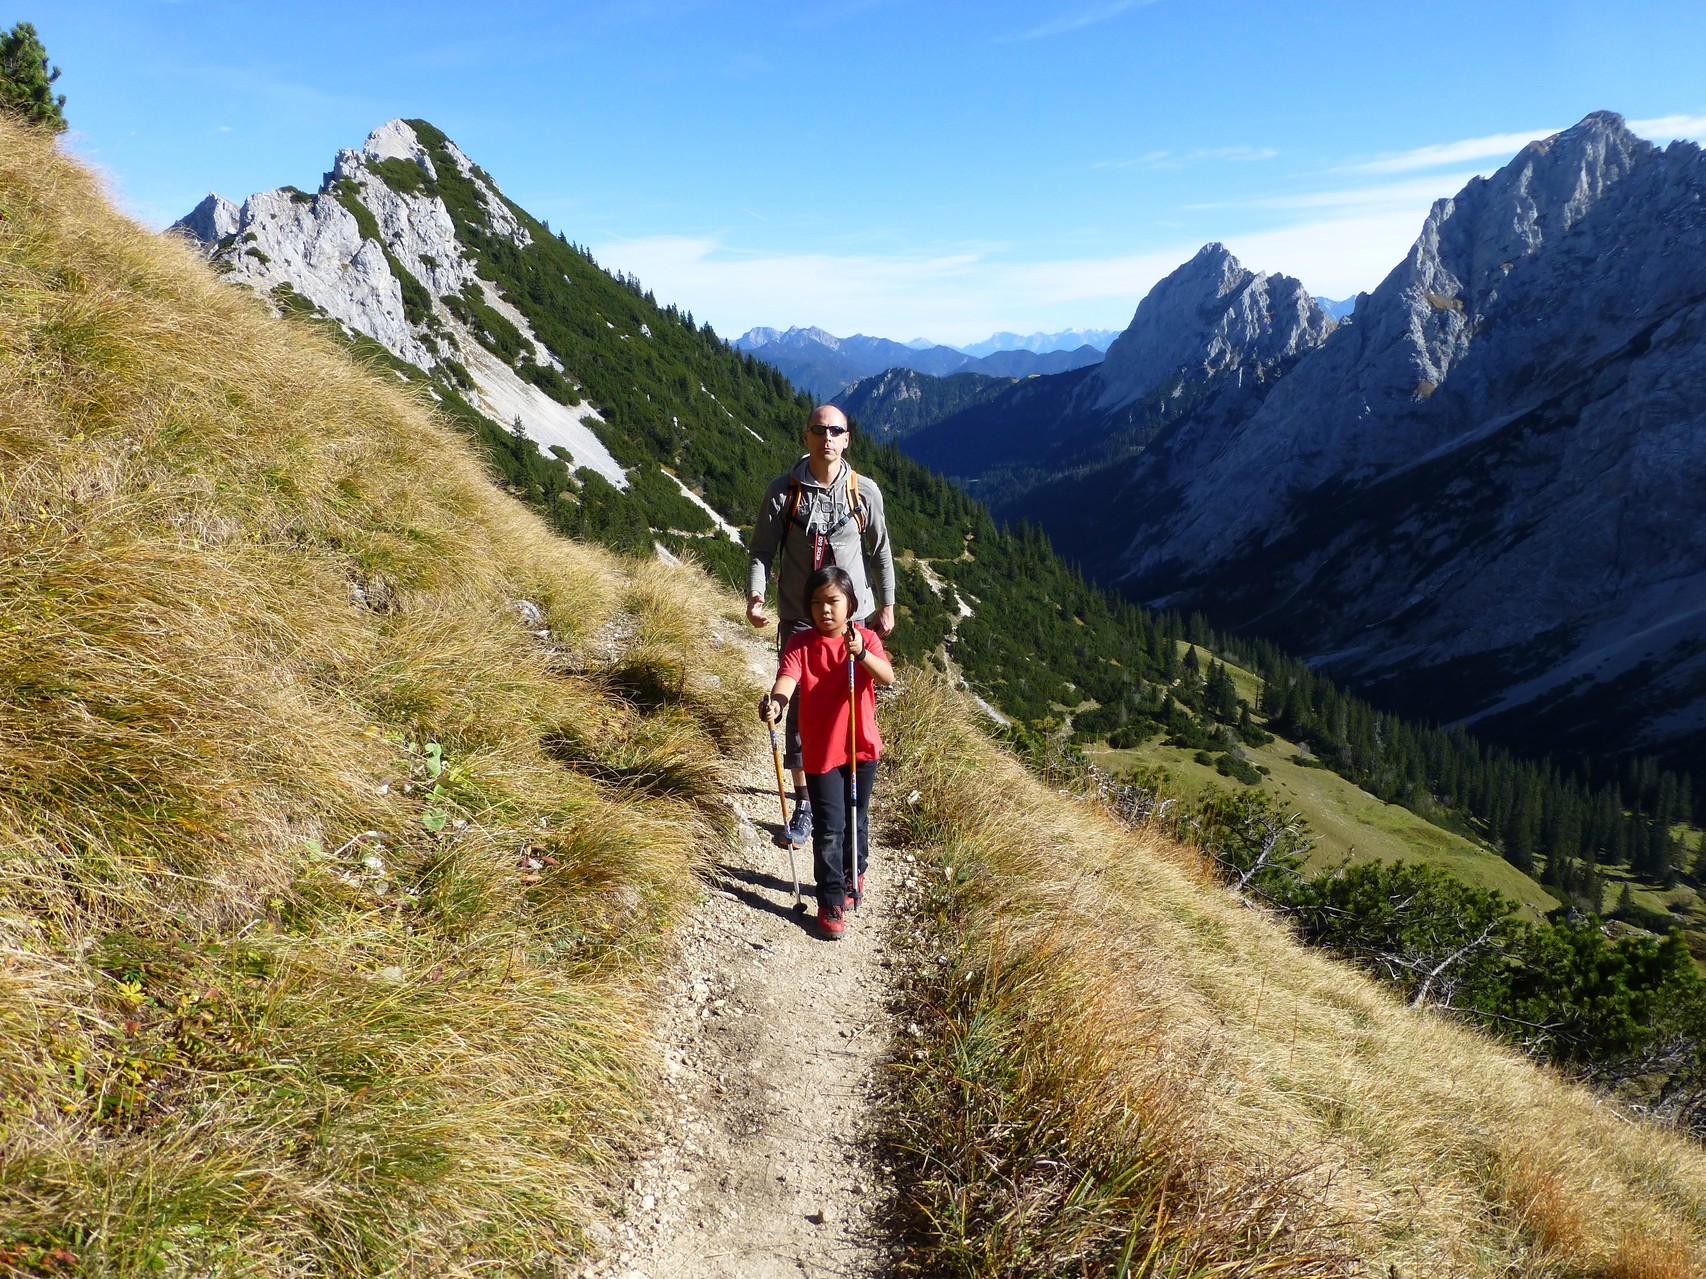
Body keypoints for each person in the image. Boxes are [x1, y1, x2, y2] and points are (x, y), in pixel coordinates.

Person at [747, 404, 894, 850]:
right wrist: (755, 596)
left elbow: (881, 551)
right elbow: (760, 552)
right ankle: (806, 799)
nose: (826, 437)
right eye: (818, 430)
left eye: (835, 431)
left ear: (846, 438)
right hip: (797, 617)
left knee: (847, 706)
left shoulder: (863, 492)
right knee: (796, 707)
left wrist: (887, 605)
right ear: (806, 436)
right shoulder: (783, 492)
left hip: (853, 619)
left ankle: (845, 790)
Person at [759, 566, 893, 939]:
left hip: (862, 748)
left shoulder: (864, 639)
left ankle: (856, 871)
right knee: (830, 828)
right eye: (816, 603)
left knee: (857, 818)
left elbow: (886, 677)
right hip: (821, 753)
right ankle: (830, 898)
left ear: (850, 603)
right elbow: (787, 680)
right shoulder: (800, 644)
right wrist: (778, 704)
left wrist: (862, 653)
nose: (825, 610)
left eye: (833, 601)